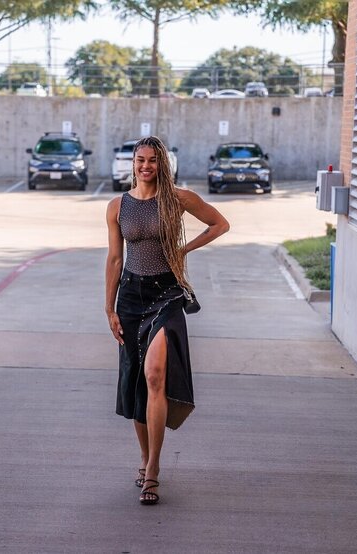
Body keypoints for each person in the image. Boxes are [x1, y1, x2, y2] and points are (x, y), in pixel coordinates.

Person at [105, 136, 230, 505]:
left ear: (163, 163)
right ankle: (144, 458)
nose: (146, 166)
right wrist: (109, 308)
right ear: (133, 163)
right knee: (136, 382)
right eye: (140, 160)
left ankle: (154, 470)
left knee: (156, 375)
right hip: (130, 297)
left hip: (166, 295)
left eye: (153, 160)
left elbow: (219, 224)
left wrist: (183, 249)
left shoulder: (178, 199)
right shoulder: (117, 206)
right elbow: (115, 259)